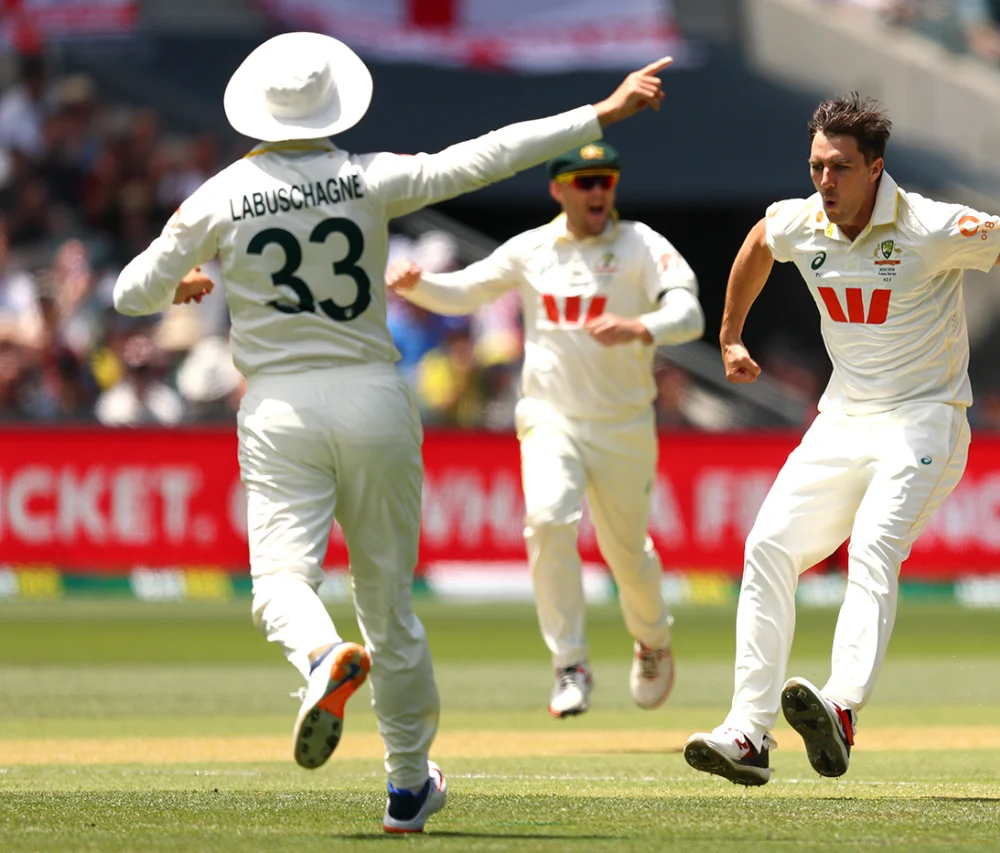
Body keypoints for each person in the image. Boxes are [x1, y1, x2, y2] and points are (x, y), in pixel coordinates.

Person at [110, 31, 672, 831]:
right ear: (332, 104)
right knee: (390, 608)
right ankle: (408, 784)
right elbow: (486, 156)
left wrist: (183, 275)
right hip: (374, 396)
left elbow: (132, 293)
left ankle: (317, 655)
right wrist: (600, 111)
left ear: (256, 110)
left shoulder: (217, 197)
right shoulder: (365, 176)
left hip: (280, 406)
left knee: (280, 583)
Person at [683, 93, 1000, 786]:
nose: (825, 181)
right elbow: (761, 242)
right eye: (817, 165)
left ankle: (842, 706)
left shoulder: (932, 226)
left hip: (926, 418)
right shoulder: (804, 220)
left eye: (841, 168)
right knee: (766, 547)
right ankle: (748, 733)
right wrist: (730, 335)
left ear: (875, 169)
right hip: (843, 418)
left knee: (874, 543)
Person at [385, 141, 703, 718]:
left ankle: (653, 639)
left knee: (626, 554)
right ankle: (570, 662)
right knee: (549, 519)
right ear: (559, 190)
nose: (598, 191)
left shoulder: (640, 244)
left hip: (625, 423)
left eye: (605, 180)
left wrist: (639, 325)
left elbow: (689, 313)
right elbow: (469, 287)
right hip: (550, 416)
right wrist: (416, 284)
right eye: (584, 182)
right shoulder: (534, 248)